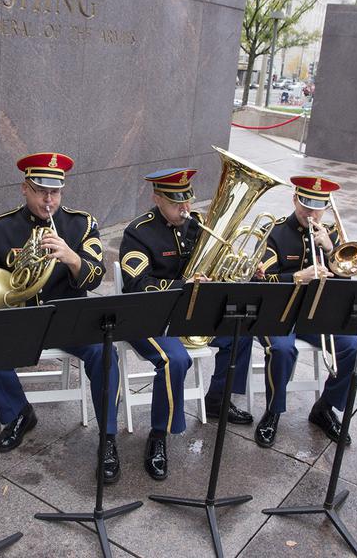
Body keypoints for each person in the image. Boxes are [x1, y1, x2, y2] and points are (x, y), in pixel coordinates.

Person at [0, 152, 122, 483]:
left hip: (68, 318)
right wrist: (9, 286)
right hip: (22, 318)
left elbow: (95, 275)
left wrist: (71, 257)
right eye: (41, 190)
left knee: (105, 353)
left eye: (55, 192)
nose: (49, 199)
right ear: (24, 188)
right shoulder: (2, 228)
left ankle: (108, 438)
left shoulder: (81, 224)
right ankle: (18, 414)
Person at [117, 168, 251, 480]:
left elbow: (216, 264)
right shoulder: (138, 232)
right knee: (175, 360)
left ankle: (217, 399)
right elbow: (137, 286)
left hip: (190, 313)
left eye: (187, 200)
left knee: (241, 331)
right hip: (147, 316)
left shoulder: (197, 225)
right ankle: (158, 435)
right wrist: (182, 283)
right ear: (157, 198)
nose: (185, 208)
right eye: (176, 202)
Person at [252, 176, 357, 448]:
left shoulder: (334, 237)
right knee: (282, 350)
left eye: (319, 208)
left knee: (356, 346)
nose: (312, 214)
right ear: (295, 200)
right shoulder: (275, 232)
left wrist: (330, 249)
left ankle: (325, 408)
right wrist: (297, 277)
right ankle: (273, 411)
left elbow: (345, 286)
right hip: (277, 313)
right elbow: (259, 282)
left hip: (317, 314)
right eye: (306, 206)